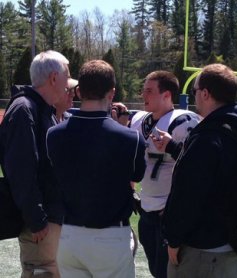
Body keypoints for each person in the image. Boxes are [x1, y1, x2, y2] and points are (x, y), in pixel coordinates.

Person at [153, 64, 237, 278]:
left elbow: (188, 197)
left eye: (195, 91)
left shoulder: (207, 138)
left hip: (204, 251)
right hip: (235, 245)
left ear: (205, 93)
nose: (194, 97)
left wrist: (173, 240)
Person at [46, 60, 146, 278]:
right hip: (111, 236)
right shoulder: (131, 138)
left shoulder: (54, 134)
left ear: (79, 92)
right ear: (112, 93)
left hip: (70, 235)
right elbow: (137, 176)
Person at [0, 50, 70, 278]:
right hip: (40, 223)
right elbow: (21, 170)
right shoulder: (25, 109)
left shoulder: (39, 109)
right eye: (66, 77)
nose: (68, 85)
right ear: (53, 78)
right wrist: (36, 219)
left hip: (47, 218)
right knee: (41, 272)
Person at [130, 70, 200, 278]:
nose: (143, 95)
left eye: (149, 91)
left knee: (167, 272)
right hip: (147, 209)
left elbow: (196, 168)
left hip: (167, 212)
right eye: (143, 90)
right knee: (155, 269)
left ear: (166, 95)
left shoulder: (183, 122)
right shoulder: (139, 120)